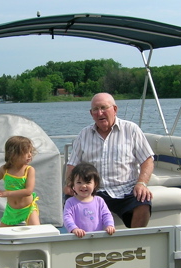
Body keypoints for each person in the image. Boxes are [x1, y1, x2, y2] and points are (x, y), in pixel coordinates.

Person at [65, 93, 154, 228]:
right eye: (95, 109)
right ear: (91, 113)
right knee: (70, 200)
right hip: (93, 189)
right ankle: (84, 240)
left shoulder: (131, 130)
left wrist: (141, 183)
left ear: (115, 109)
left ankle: (134, 242)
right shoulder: (84, 134)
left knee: (143, 202)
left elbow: (147, 160)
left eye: (103, 108)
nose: (99, 112)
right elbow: (72, 164)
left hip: (126, 189)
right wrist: (69, 184)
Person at [63, 163, 115, 237]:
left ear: (95, 184)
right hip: (78, 239)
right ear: (73, 184)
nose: (83, 186)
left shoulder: (99, 201)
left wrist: (109, 225)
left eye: (88, 182)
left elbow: (106, 215)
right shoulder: (70, 202)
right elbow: (67, 218)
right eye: (79, 182)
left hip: (97, 239)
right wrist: (74, 229)